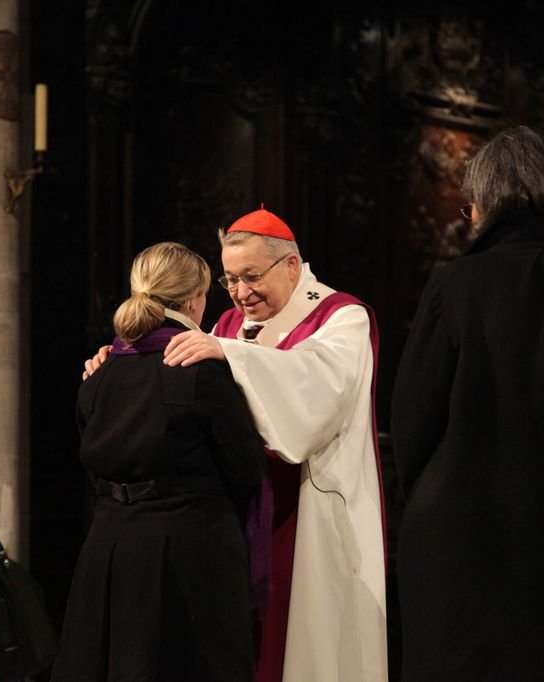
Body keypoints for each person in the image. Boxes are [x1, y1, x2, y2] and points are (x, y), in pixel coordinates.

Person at [391, 126, 544, 681]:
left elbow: (412, 417)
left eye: (468, 210)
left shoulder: (460, 282)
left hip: (468, 543)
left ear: (485, 206)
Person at [160, 209, 388, 682]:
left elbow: (318, 382)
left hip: (310, 516)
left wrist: (232, 355)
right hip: (236, 518)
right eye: (229, 280)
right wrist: (120, 356)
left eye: (251, 276)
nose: (241, 293)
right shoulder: (224, 325)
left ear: (290, 266)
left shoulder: (340, 316)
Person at [52, 242, 266, 682]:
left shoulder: (100, 372)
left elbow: (93, 462)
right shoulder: (199, 367)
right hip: (188, 555)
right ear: (192, 300)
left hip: (107, 552)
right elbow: (244, 468)